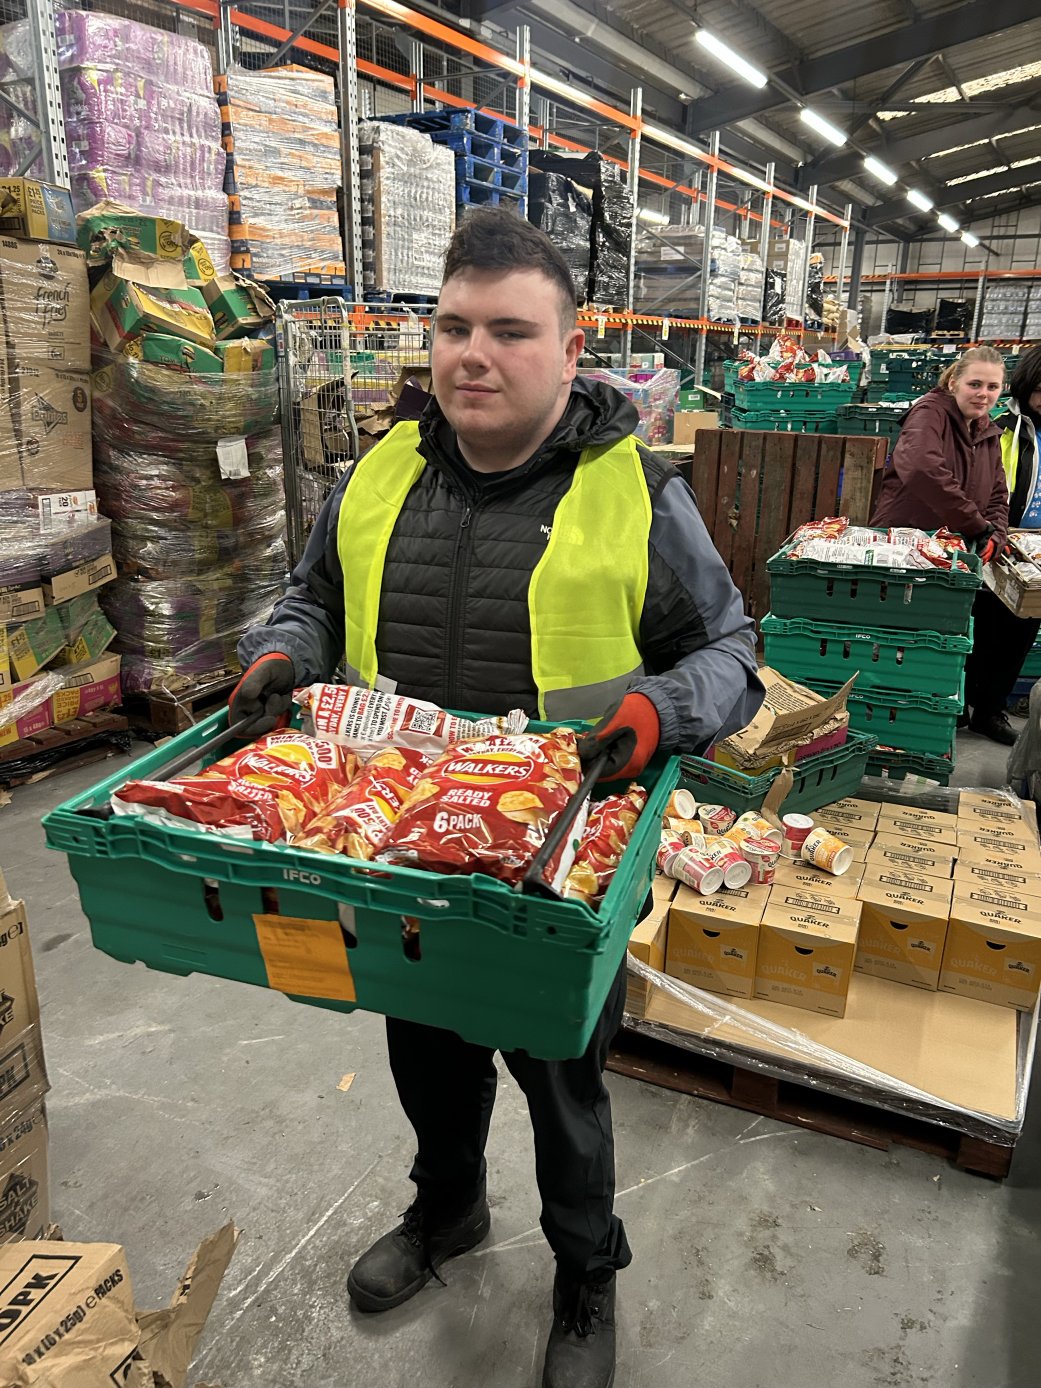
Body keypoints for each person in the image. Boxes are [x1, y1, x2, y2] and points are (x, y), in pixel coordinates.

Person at [230, 207, 762, 1388]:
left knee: (563, 1081)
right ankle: (448, 1212)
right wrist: (281, 652)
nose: (475, 353)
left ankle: (585, 1270)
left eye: (511, 331)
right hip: (407, 841)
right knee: (425, 1048)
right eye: (455, 327)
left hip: (553, 861)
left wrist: (652, 717)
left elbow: (729, 653)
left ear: (572, 351)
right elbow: (312, 597)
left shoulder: (635, 492)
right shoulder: (378, 474)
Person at [870, 345, 1010, 743]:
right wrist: (975, 523)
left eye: (993, 386)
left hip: (953, 552)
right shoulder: (929, 414)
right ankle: (887, 725)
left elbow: (999, 492)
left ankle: (929, 719)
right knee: (899, 639)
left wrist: (994, 533)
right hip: (909, 544)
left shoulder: (988, 431)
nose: (983, 393)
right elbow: (922, 469)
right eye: (975, 383)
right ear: (953, 382)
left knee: (939, 640)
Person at [962, 345, 1041, 743]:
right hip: (993, 543)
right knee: (975, 627)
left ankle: (990, 711)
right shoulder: (1002, 427)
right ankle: (959, 705)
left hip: (1036, 556)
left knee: (1020, 632)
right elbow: (987, 483)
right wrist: (993, 530)